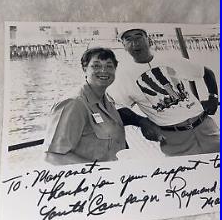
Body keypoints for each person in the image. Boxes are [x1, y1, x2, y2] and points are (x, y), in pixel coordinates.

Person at [108, 28, 220, 156]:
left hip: (206, 127)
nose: (135, 43)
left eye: (139, 37)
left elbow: (206, 72)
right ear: (124, 46)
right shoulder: (123, 76)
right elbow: (115, 107)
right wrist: (141, 122)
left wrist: (213, 97)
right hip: (173, 137)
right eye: (128, 39)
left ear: (148, 40)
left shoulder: (171, 60)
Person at [43, 47, 157, 166]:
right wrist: (101, 171)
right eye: (96, 66)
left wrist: (141, 121)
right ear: (84, 69)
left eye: (109, 66)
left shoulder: (105, 99)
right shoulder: (74, 103)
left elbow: (118, 115)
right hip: (93, 179)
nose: (104, 70)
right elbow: (53, 156)